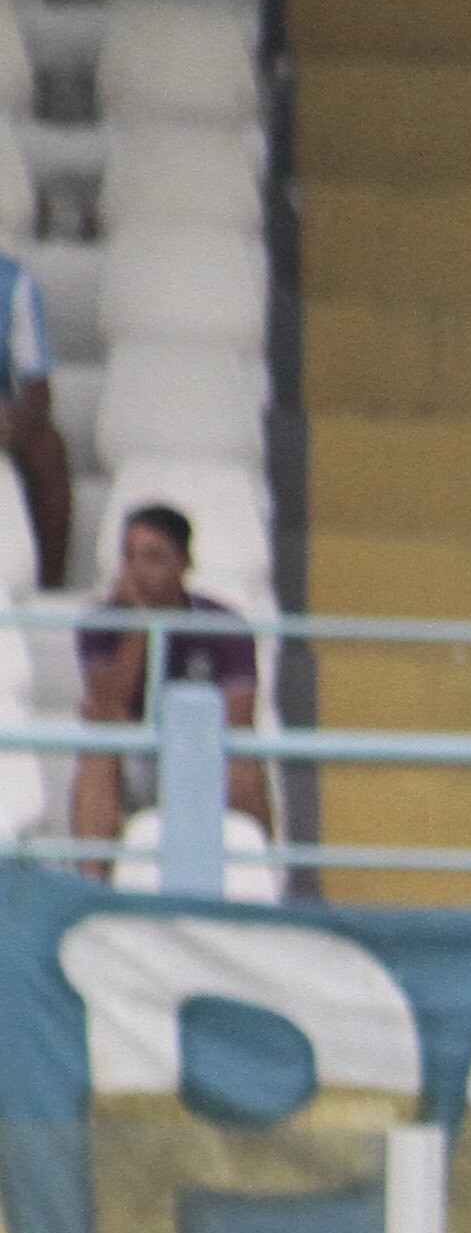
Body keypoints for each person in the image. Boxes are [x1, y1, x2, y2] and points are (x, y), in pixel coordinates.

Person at [71, 504, 274, 851]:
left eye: (153, 558)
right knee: (97, 757)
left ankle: (265, 877)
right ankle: (95, 891)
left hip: (202, 751)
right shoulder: (101, 623)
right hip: (135, 753)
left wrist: (167, 727)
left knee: (244, 765)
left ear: (184, 563)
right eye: (129, 556)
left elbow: (238, 721)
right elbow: (107, 706)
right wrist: (140, 628)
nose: (137, 571)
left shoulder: (224, 625)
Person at [0, 239, 66, 590]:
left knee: (47, 446)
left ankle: (49, 586)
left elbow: (38, 388)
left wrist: (10, 424)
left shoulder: (12, 282)